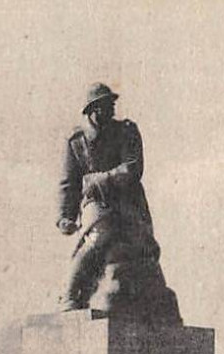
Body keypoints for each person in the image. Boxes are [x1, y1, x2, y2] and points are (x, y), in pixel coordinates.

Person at [56, 83, 181, 321]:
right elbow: (69, 183)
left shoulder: (127, 131)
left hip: (128, 200)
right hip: (97, 204)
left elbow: (133, 168)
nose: (112, 109)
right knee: (98, 238)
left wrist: (100, 179)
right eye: (106, 105)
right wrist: (65, 217)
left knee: (143, 246)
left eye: (112, 104)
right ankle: (70, 294)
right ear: (93, 110)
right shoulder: (76, 141)